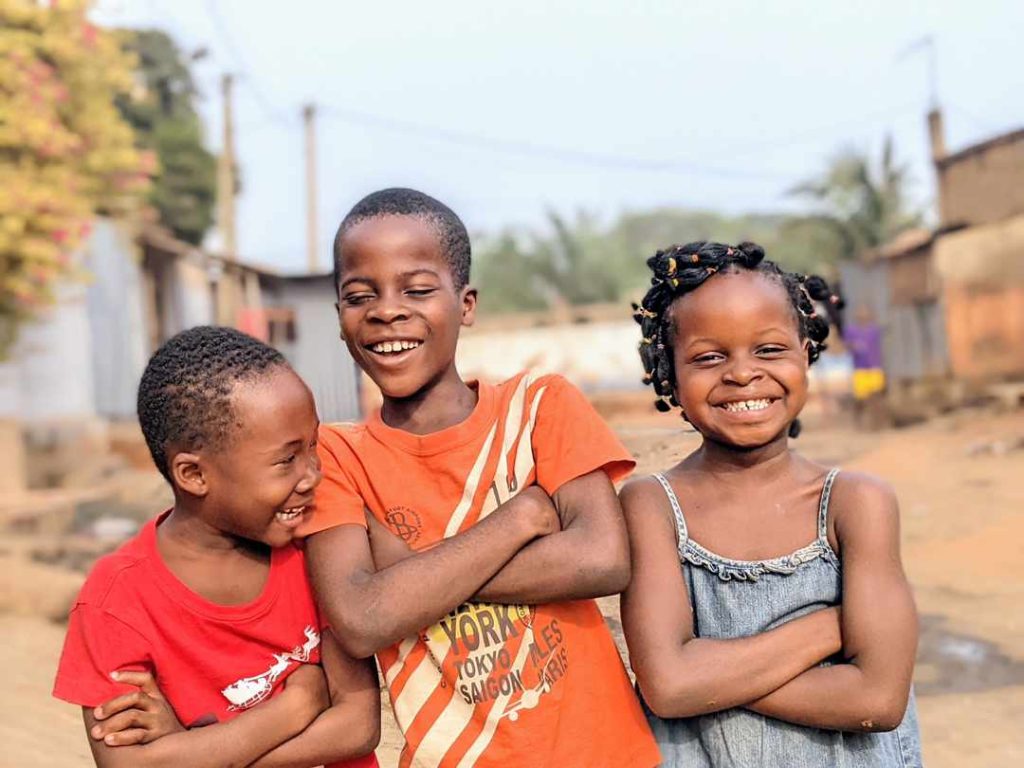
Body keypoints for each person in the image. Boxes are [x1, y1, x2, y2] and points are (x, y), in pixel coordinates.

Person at [299, 188, 661, 768]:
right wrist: (519, 519)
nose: (386, 310)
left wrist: (407, 573)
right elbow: (363, 620)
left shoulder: (540, 406)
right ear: (339, 317)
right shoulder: (336, 456)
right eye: (358, 295)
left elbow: (602, 557)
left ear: (465, 303)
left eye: (417, 290)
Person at [621, 241, 921, 767]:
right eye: (709, 357)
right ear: (669, 373)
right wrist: (830, 628)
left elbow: (877, 699)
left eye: (769, 349)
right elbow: (668, 686)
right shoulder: (653, 506)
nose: (742, 374)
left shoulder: (856, 503)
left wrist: (704, 674)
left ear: (805, 354)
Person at [52, 326, 380, 768]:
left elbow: (357, 726)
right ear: (193, 475)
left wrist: (196, 752)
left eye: (313, 447)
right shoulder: (115, 601)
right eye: (286, 460)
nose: (312, 476)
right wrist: (296, 706)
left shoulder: (316, 548)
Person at [844, 305, 887, 429]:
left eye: (865, 313)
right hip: (860, 368)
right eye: (860, 313)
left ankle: (878, 424)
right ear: (856, 316)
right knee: (860, 399)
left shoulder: (874, 330)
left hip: (874, 366)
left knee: (877, 396)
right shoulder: (851, 331)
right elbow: (846, 345)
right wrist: (853, 346)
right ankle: (858, 422)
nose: (863, 315)